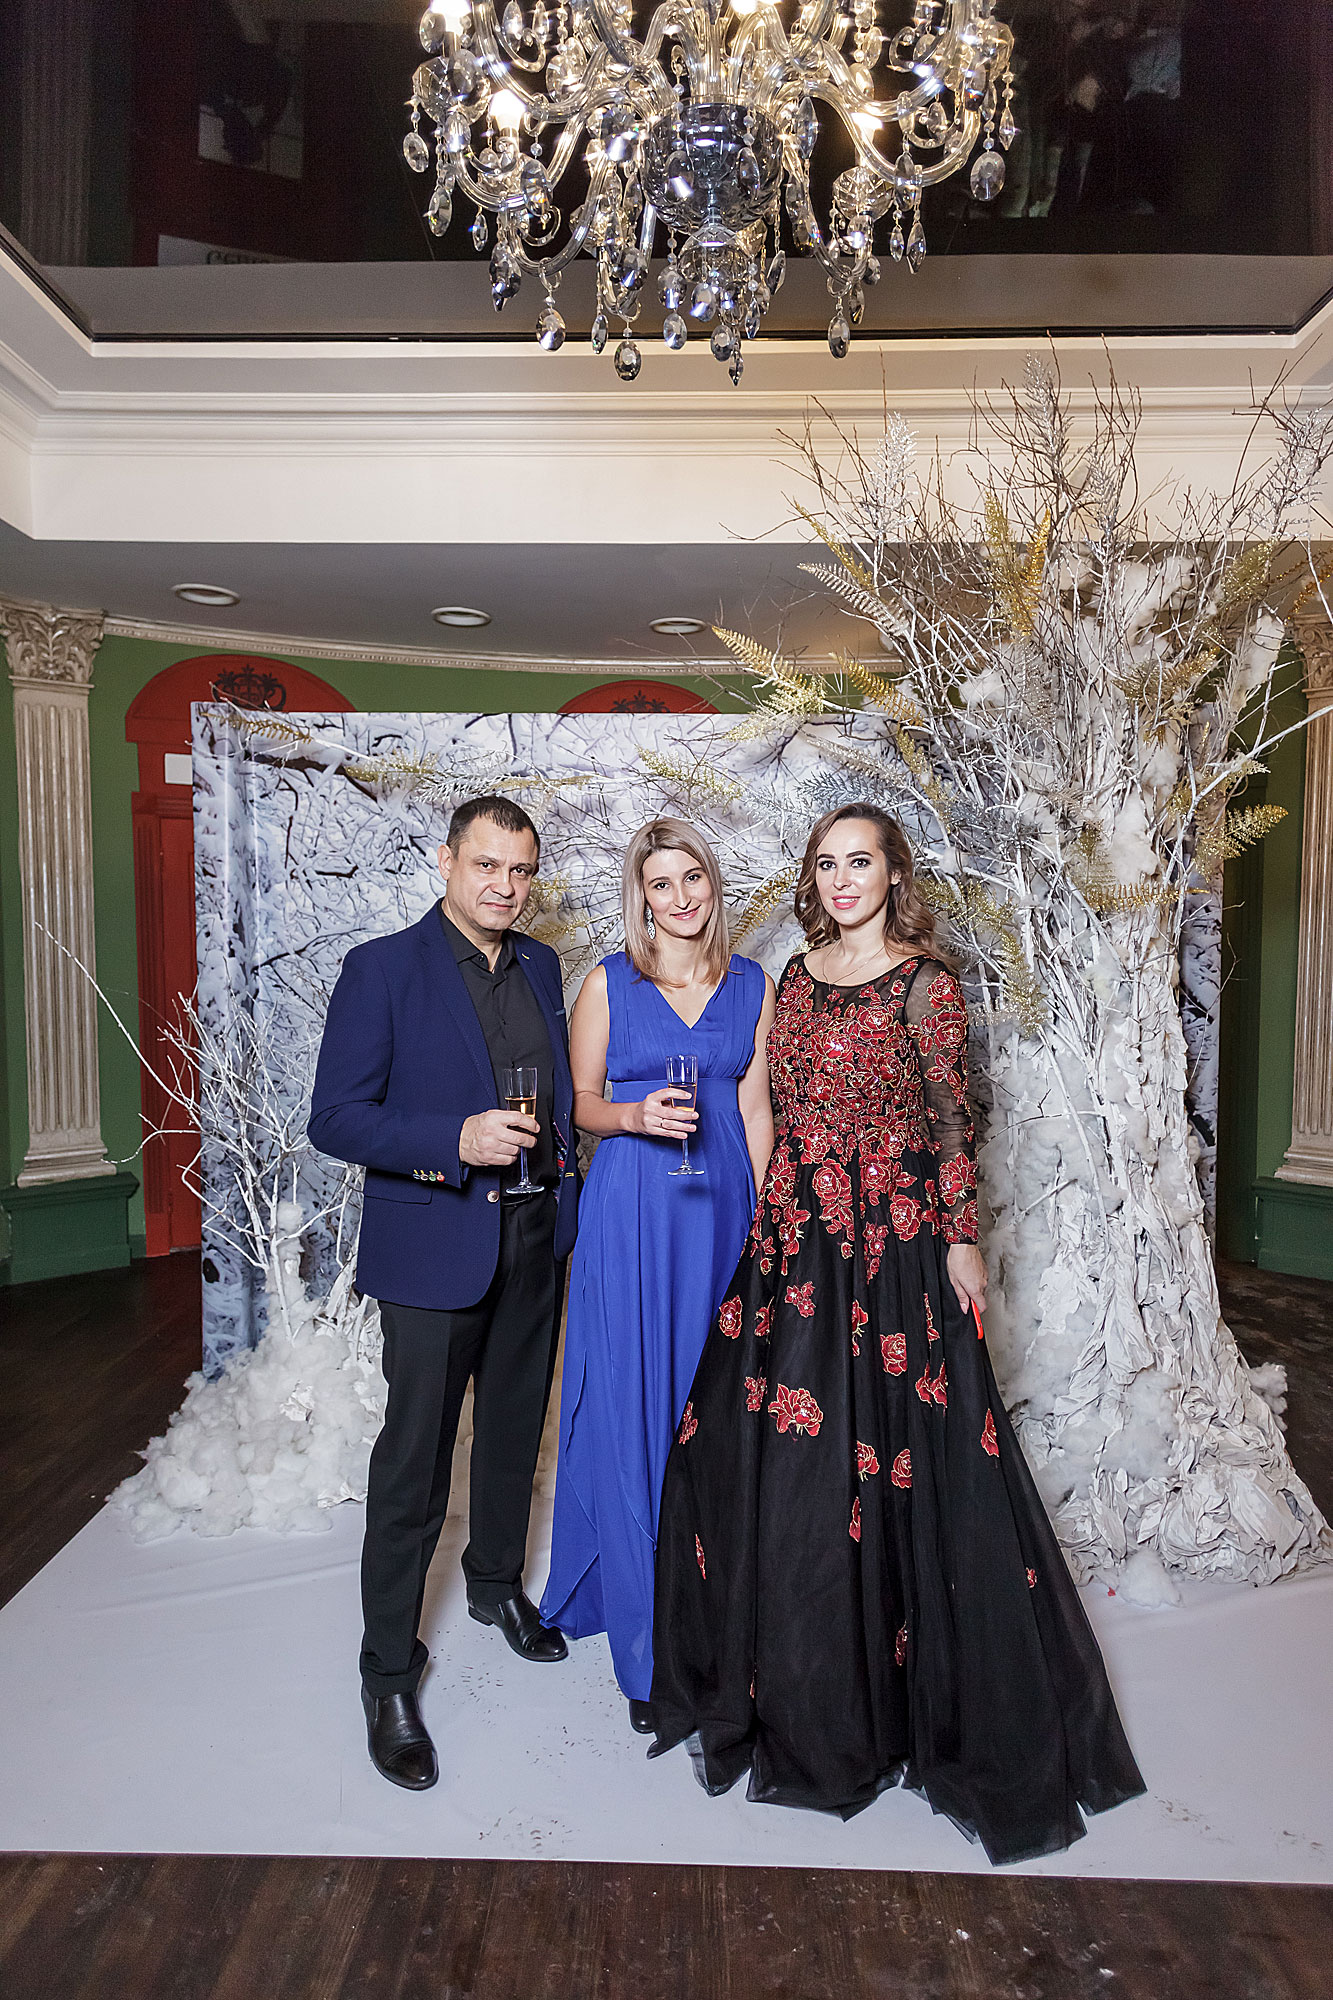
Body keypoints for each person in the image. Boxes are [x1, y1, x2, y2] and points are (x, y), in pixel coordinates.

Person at [649, 804, 1146, 1865]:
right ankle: (806, 1700)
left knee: (906, 1463)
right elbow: (771, 1106)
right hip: (796, 1238)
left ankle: (909, 1706)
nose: (840, 880)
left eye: (859, 862)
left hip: (895, 1243)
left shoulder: (927, 984)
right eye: (825, 863)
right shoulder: (791, 977)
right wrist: (762, 1217)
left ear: (890, 874)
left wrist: (960, 1240)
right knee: (780, 1462)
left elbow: (953, 1119)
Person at [308, 794, 579, 1792]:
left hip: (533, 1240)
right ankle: (387, 1673)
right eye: (486, 864)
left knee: (512, 1433)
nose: (504, 885)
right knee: (415, 1466)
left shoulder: (541, 966)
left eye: (520, 869)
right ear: (447, 860)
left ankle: (496, 1585)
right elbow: (335, 1117)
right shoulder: (382, 969)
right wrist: (452, 1141)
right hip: (433, 1249)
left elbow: (557, 1103)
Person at [540, 820, 775, 1732]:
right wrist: (633, 1117)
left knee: (712, 1409)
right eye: (660, 884)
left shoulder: (751, 984)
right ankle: (647, 1647)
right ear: (640, 897)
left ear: (712, 884)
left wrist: (758, 1221)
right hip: (633, 1214)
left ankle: (721, 1617)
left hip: (720, 1213)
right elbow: (578, 1104)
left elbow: (752, 1109)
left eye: (692, 879)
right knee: (637, 1408)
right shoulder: (609, 982)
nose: (679, 898)